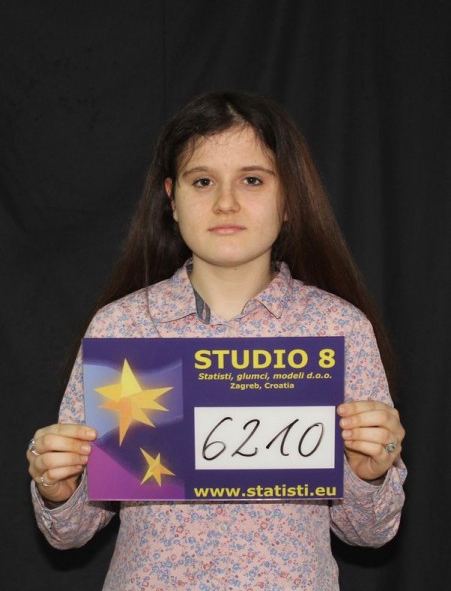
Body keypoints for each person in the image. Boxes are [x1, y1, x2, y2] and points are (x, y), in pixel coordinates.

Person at [27, 91, 406, 590]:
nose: (226, 202)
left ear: (289, 199)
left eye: (253, 180)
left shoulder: (338, 329)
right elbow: (71, 532)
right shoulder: (123, 329)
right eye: (202, 181)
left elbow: (371, 532)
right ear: (172, 200)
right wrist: (58, 487)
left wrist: (369, 473)